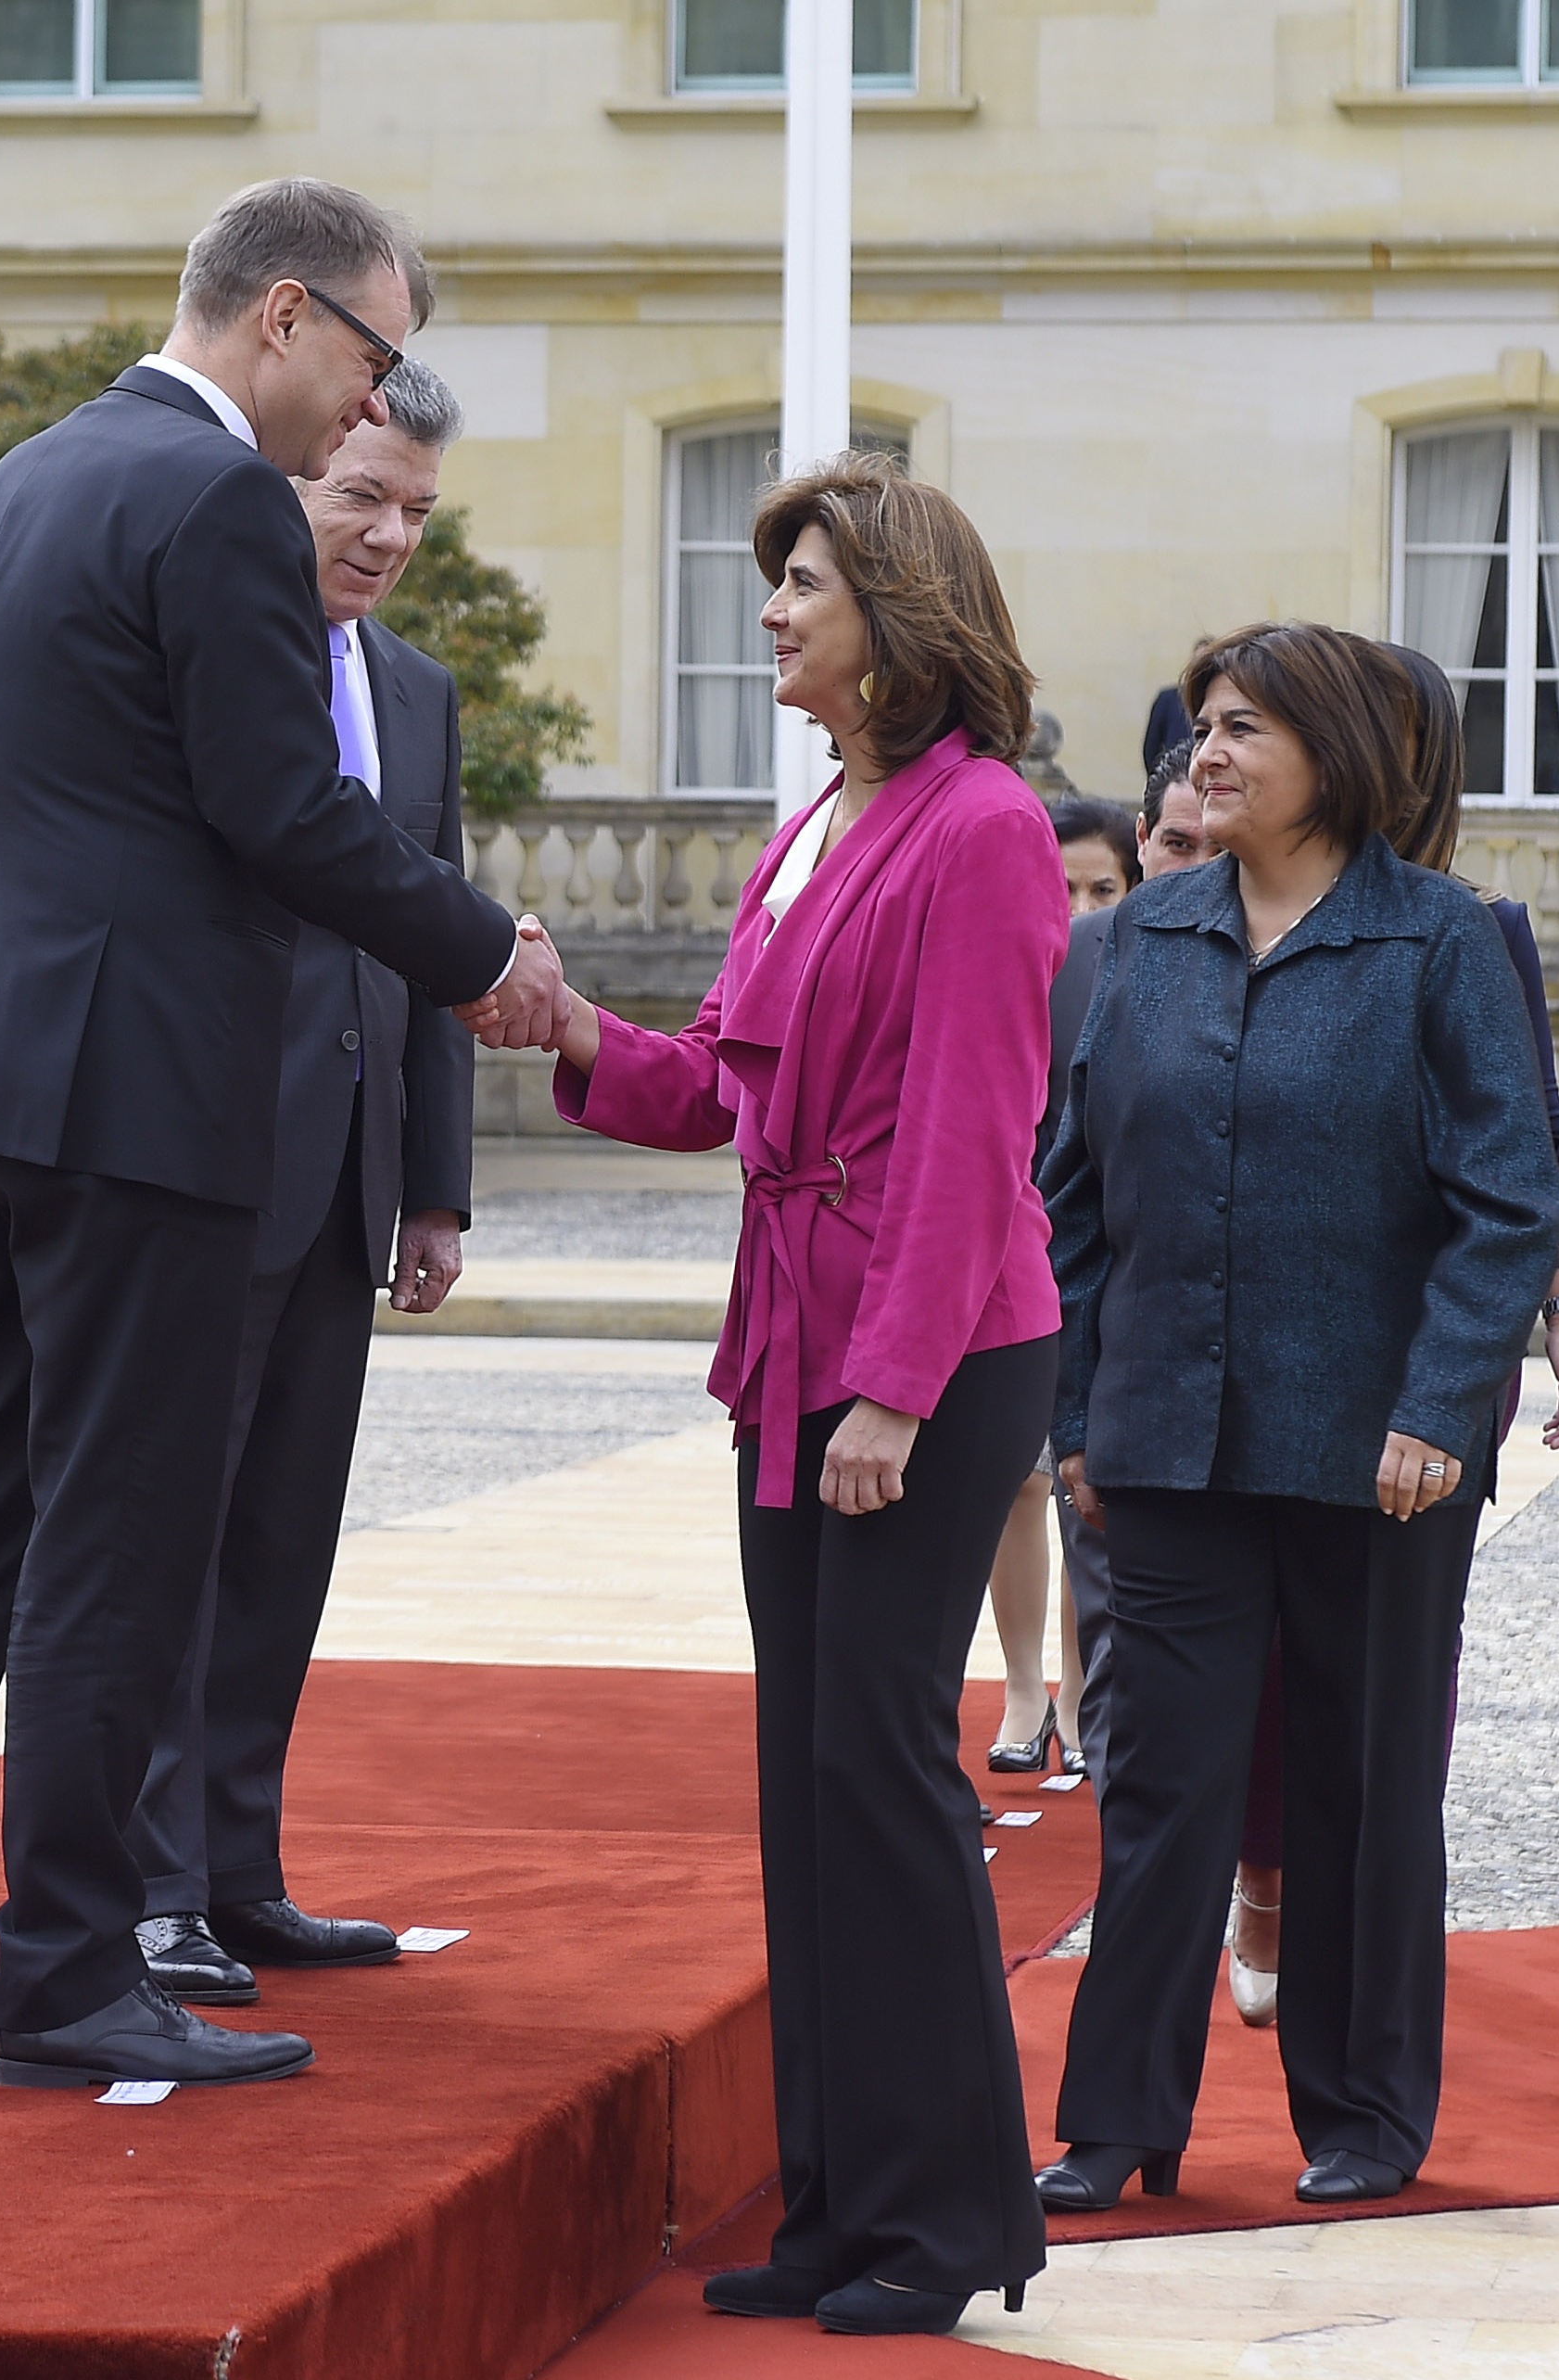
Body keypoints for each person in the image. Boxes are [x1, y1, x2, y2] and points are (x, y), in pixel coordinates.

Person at [0, 176, 557, 2094]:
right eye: (379, 358)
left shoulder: (36, 471)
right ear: (287, 315)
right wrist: (488, 956)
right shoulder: (219, 491)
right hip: (134, 1085)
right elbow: (280, 807)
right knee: (115, 1525)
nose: (373, 407)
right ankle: (65, 1962)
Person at [544, 450, 1060, 2336]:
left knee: (880, 1770)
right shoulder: (814, 823)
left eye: (805, 584)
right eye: (773, 582)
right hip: (796, 1340)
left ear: (895, 618)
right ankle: (844, 2203)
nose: (769, 609)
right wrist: (565, 1030)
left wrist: (894, 1393)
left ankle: (944, 2220)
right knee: (807, 1779)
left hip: (922, 1357)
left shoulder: (983, 821)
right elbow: (712, 1085)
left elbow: (967, 1134)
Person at [1037, 622, 1556, 2215]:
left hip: (1379, 1461)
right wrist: (1075, 1414)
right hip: (1167, 1445)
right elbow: (1072, 1199)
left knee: (1360, 1782)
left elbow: (1506, 1197)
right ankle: (1119, 2122)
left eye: (1244, 727)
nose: (1208, 752)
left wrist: (1442, 1406)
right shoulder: (1135, 941)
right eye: (1203, 725)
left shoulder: (1440, 943)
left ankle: (1364, 2107)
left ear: (1333, 752)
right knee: (1162, 1787)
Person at [129, 358, 478, 2005]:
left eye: (416, 508)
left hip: (346, 1179)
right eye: (363, 496)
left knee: (282, 1543)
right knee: (172, 1544)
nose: (391, 534)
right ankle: (151, 1888)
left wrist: (436, 1187)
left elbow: (432, 940)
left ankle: (242, 1869)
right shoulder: (217, 655)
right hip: (201, 1160)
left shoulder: (416, 692)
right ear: (290, 482)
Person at [1211, 638, 1559, 2031]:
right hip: (1242, 1351)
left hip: (1427, 1354)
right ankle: (1262, 1866)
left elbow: (1529, 1144)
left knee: (1393, 1665)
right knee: (1247, 1654)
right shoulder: (1211, 901)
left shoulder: (1467, 926)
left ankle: (1357, 1923)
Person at [1039, 745, 1215, 1796]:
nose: (1197, 867)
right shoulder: (1078, 958)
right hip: (1110, 1358)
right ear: (1143, 844)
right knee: (1114, 1626)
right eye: (1177, 844)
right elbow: (1044, 1166)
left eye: (1214, 843)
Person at [978, 795, 1141, 1779]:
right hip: (1020, 1239)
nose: (1080, 908)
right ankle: (1023, 1686)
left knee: (1086, 1483)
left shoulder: (1134, 965)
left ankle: (1083, 1690)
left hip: (1111, 1253)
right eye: (1064, 886)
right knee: (1020, 1477)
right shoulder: (1021, 966)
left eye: (1101, 887)